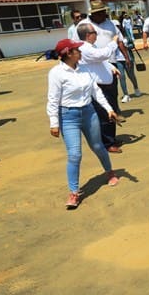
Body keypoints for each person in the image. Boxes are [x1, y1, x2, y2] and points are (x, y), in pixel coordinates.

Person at [46, 38, 119, 209]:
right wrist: (53, 122)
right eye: (76, 50)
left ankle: (110, 172)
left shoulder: (85, 69)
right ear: (68, 54)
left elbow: (96, 91)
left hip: (89, 112)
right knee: (74, 154)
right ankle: (74, 192)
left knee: (98, 146)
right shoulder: (56, 73)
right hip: (68, 116)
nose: (80, 52)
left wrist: (109, 109)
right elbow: (52, 99)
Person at [77, 21, 123, 153]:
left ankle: (111, 138)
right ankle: (107, 143)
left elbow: (102, 61)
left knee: (111, 110)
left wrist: (112, 67)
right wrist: (114, 42)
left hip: (106, 83)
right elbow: (104, 54)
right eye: (94, 33)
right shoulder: (85, 48)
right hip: (99, 86)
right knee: (104, 114)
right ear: (87, 35)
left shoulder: (91, 46)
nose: (96, 35)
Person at [114, 24, 141, 102]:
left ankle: (136, 88)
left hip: (128, 58)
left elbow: (132, 45)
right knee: (121, 76)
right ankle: (126, 94)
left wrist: (126, 46)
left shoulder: (126, 36)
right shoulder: (112, 38)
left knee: (131, 75)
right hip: (118, 59)